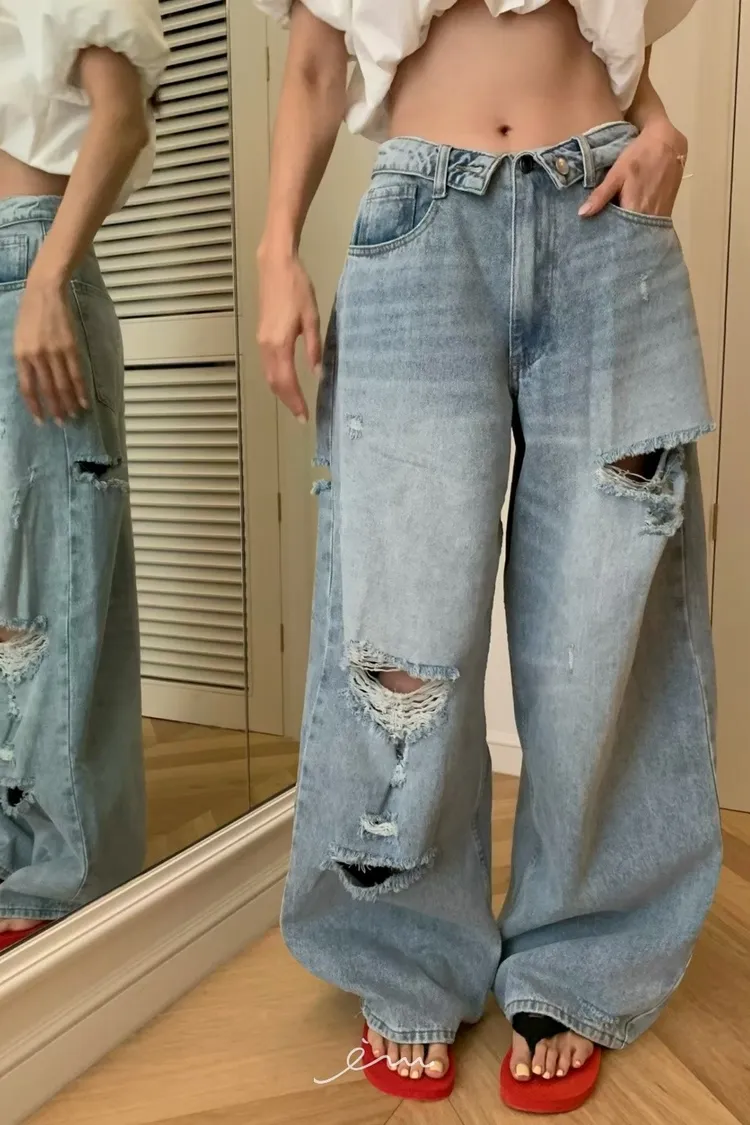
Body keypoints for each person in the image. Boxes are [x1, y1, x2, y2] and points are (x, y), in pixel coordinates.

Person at [255, 0, 721, 1111]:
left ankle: (581, 956)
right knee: (399, 634)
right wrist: (276, 250)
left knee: (601, 627)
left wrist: (657, 122)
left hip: (604, 213)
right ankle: (405, 949)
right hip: (421, 229)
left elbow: (599, 27)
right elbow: (316, 64)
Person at [0, 0, 169, 950]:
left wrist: (45, 279)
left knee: (47, 596)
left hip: (25, 259)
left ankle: (64, 884)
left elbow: (121, 114)